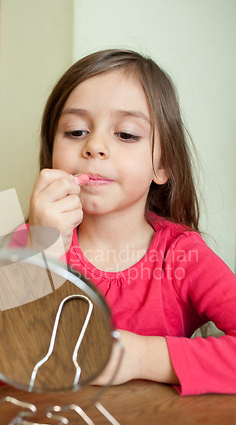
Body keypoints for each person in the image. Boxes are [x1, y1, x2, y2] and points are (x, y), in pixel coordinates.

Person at [18, 49, 236, 397]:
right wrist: (45, 255)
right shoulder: (27, 242)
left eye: (127, 134)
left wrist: (140, 358)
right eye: (75, 131)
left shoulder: (183, 255)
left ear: (162, 166)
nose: (95, 146)